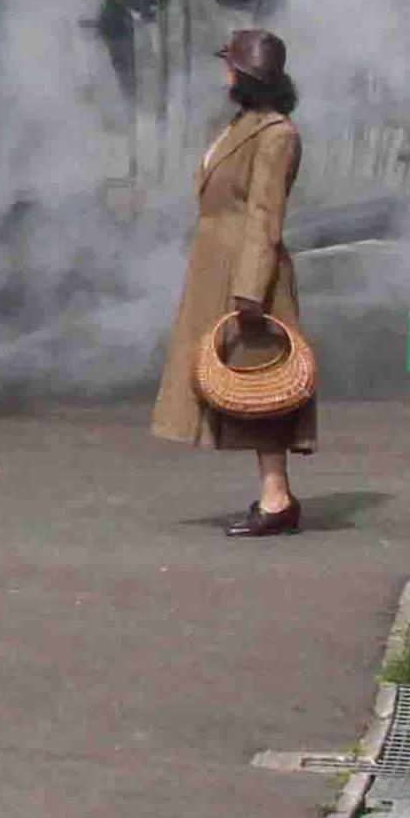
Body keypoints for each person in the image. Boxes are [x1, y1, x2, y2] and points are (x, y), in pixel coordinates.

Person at [149, 26, 313, 535]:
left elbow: (266, 214)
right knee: (245, 389)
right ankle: (275, 496)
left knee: (262, 389)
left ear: (246, 76)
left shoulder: (276, 135)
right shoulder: (246, 125)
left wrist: (249, 290)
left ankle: (277, 499)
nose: (224, 73)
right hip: (220, 265)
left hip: (246, 270)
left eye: (230, 67)